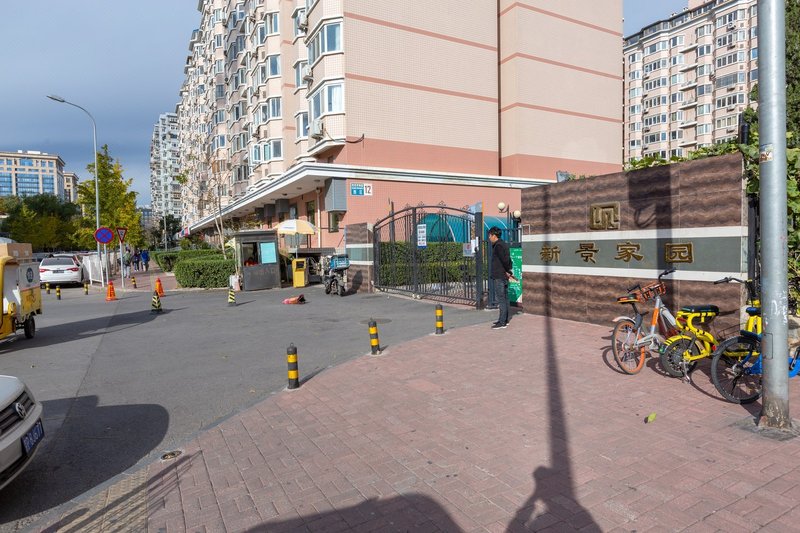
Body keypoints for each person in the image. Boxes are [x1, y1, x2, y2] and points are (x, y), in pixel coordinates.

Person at [488, 227, 513, 329]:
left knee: (501, 299)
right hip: (502, 275)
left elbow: (505, 260)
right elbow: (507, 259)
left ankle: (502, 322)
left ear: (494, 235)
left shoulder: (498, 246)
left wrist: (508, 270)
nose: (489, 238)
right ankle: (504, 320)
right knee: (505, 298)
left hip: (500, 275)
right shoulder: (502, 244)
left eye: (490, 236)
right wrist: (508, 270)